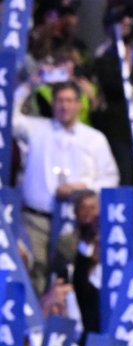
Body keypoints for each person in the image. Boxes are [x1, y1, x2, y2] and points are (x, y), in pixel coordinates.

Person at [13, 80, 120, 293]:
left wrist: (84, 186)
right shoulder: (36, 129)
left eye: (70, 100)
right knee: (34, 275)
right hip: (36, 220)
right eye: (60, 100)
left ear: (79, 105)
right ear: (53, 104)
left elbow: (111, 178)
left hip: (76, 224)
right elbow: (5, 116)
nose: (65, 106)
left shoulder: (94, 139)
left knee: (69, 278)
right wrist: (29, 86)